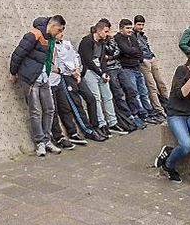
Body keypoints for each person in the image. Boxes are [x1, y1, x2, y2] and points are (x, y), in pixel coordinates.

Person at [9, 16, 66, 157]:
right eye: (58, 29)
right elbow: (18, 53)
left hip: (44, 77)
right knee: (35, 111)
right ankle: (40, 143)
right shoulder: (34, 34)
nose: (59, 33)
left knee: (49, 109)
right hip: (30, 78)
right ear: (52, 25)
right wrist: (13, 72)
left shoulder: (50, 39)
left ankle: (47, 140)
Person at [155, 47, 190, 182]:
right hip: (176, 114)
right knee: (186, 145)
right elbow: (181, 94)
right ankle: (168, 165)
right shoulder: (182, 70)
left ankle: (170, 151)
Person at [52, 30, 101, 143]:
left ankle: (95, 125)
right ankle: (88, 130)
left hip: (77, 74)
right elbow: (59, 62)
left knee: (91, 98)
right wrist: (71, 71)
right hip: (66, 76)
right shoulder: (52, 46)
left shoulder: (67, 43)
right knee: (76, 103)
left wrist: (78, 69)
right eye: (58, 31)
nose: (61, 34)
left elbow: (76, 56)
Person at [79, 20, 124, 138]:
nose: (107, 34)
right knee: (96, 98)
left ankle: (112, 122)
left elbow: (103, 59)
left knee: (108, 96)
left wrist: (104, 72)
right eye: (106, 31)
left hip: (100, 71)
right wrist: (100, 73)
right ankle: (101, 123)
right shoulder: (87, 41)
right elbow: (88, 61)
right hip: (90, 71)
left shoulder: (102, 42)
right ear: (99, 30)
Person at [113, 19, 156, 127]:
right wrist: (133, 52)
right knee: (133, 93)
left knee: (144, 91)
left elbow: (138, 50)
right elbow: (126, 50)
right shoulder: (118, 38)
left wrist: (133, 53)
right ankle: (140, 114)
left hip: (137, 66)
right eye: (127, 28)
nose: (129, 30)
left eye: (130, 28)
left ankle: (148, 112)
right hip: (127, 68)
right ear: (121, 28)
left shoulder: (132, 36)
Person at [134, 16, 169, 120]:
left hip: (150, 58)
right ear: (135, 24)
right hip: (143, 61)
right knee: (151, 86)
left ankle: (168, 105)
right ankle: (159, 109)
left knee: (161, 83)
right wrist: (142, 59)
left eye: (142, 25)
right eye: (139, 24)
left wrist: (152, 55)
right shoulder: (132, 36)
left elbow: (147, 46)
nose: (141, 27)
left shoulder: (142, 36)